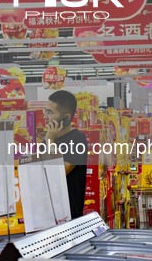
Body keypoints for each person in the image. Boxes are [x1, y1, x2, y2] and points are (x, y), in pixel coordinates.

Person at [43, 90, 88, 219]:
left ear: (66, 118)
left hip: (69, 216)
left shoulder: (77, 140)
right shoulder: (45, 141)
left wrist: (50, 141)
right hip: (47, 214)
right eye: (45, 111)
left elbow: (58, 172)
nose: (45, 116)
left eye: (50, 112)